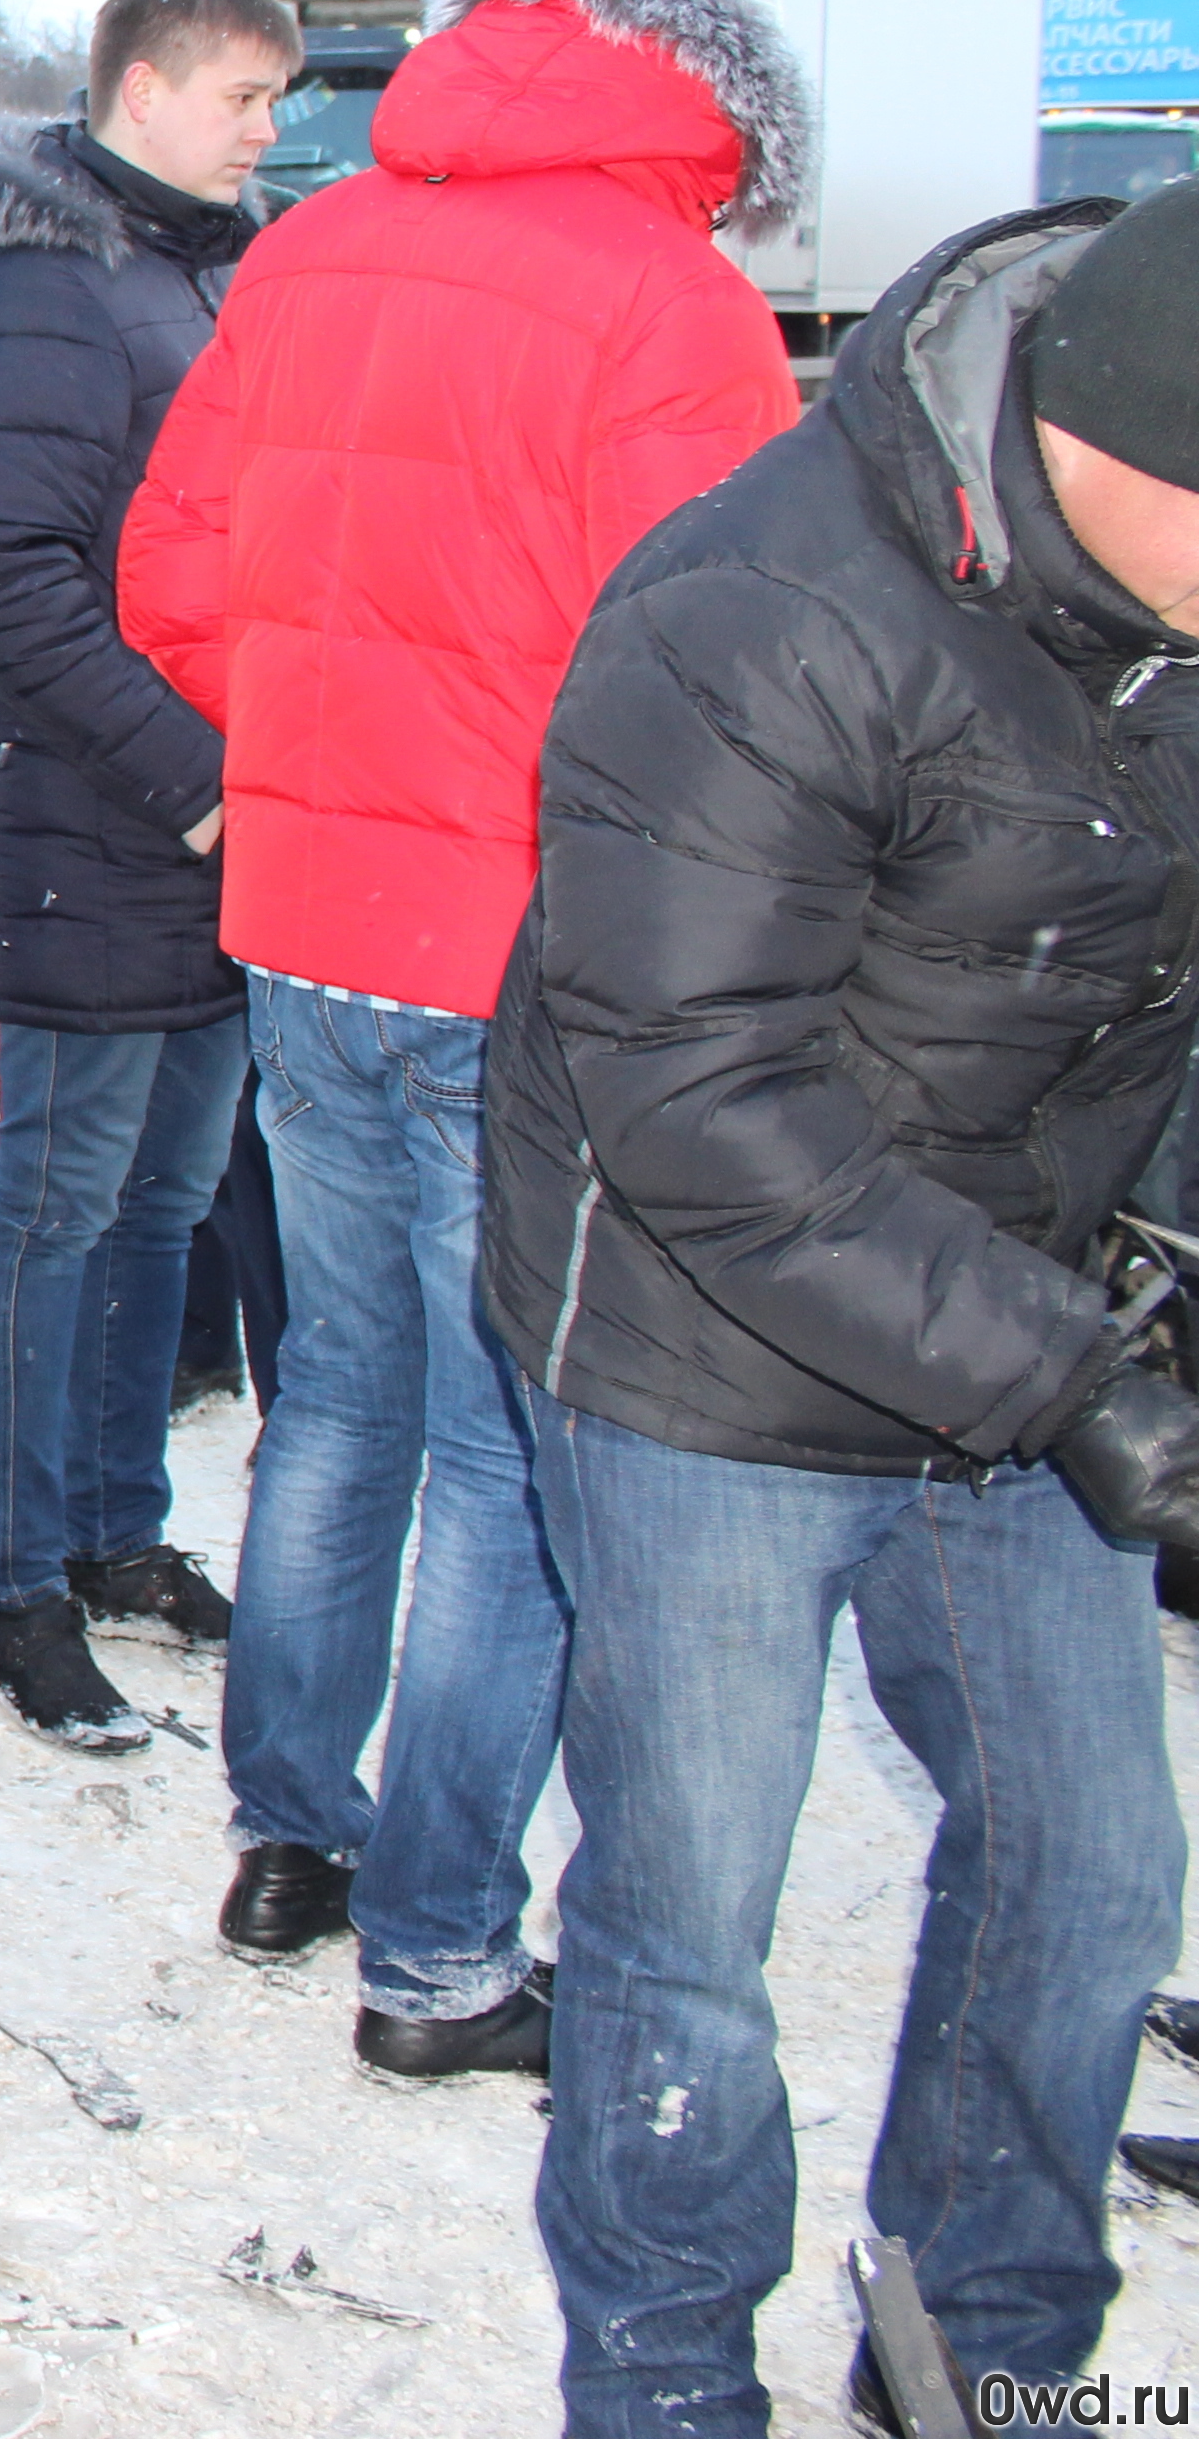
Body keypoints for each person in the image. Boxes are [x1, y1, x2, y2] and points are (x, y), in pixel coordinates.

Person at [488, 188, 1199, 2434]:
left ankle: (988, 2359)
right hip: (709, 1349)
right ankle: (671, 2378)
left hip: (1017, 1313)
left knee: (1093, 1882)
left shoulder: (1163, 612)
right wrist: (1075, 1376)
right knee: (691, 1930)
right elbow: (698, 1091)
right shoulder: (762, 609)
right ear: (1114, 447)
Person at [119, 0, 808, 2063]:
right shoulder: (673, 301)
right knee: (513, 1454)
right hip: (527, 960)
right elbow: (720, 692)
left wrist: (316, 753)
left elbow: (173, 574)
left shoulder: (311, 249)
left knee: (337, 1394)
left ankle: (289, 1840)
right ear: (703, 67)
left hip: (309, 923)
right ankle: (435, 1954)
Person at [0, 0, 285, 1750]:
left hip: (236, 829)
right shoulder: (41, 282)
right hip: (103, 823)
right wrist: (196, 782)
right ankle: (14, 1582)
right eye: (246, 98)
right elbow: (6, 585)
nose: (268, 131)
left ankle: (117, 1530)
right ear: (147, 90)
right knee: (54, 1217)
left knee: (171, 1204)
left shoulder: (219, 271)